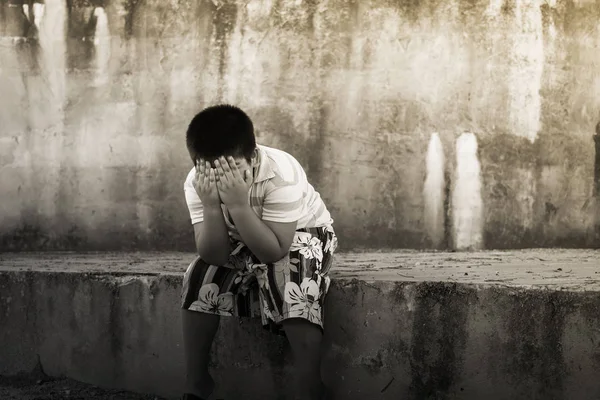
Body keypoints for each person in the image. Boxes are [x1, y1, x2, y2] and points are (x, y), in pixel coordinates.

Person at [180, 104, 338, 400]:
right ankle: (196, 382)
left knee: (292, 276)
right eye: (214, 174)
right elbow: (213, 254)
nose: (224, 181)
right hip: (242, 240)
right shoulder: (196, 182)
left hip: (302, 235)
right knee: (200, 274)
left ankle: (310, 385)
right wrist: (212, 205)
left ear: (252, 158)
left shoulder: (282, 172)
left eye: (234, 171)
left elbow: (274, 250)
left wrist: (238, 204)